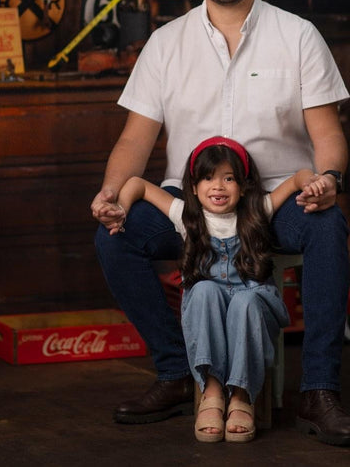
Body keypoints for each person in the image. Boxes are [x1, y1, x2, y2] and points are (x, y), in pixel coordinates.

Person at [91, 0, 350, 447]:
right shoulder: (166, 44)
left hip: (276, 199)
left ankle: (318, 389)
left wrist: (328, 178)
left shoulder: (297, 35)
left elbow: (327, 133)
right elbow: (134, 140)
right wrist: (110, 194)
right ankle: (174, 372)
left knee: (329, 227)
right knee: (113, 236)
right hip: (191, 203)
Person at [103, 136, 321, 442]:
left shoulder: (257, 210)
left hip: (254, 300)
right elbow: (138, 184)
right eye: (207, 178)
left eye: (228, 179)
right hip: (209, 305)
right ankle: (213, 390)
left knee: (245, 301)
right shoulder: (186, 216)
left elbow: (297, 178)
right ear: (192, 186)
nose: (217, 187)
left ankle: (242, 396)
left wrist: (312, 181)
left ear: (243, 186)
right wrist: (121, 209)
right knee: (203, 290)